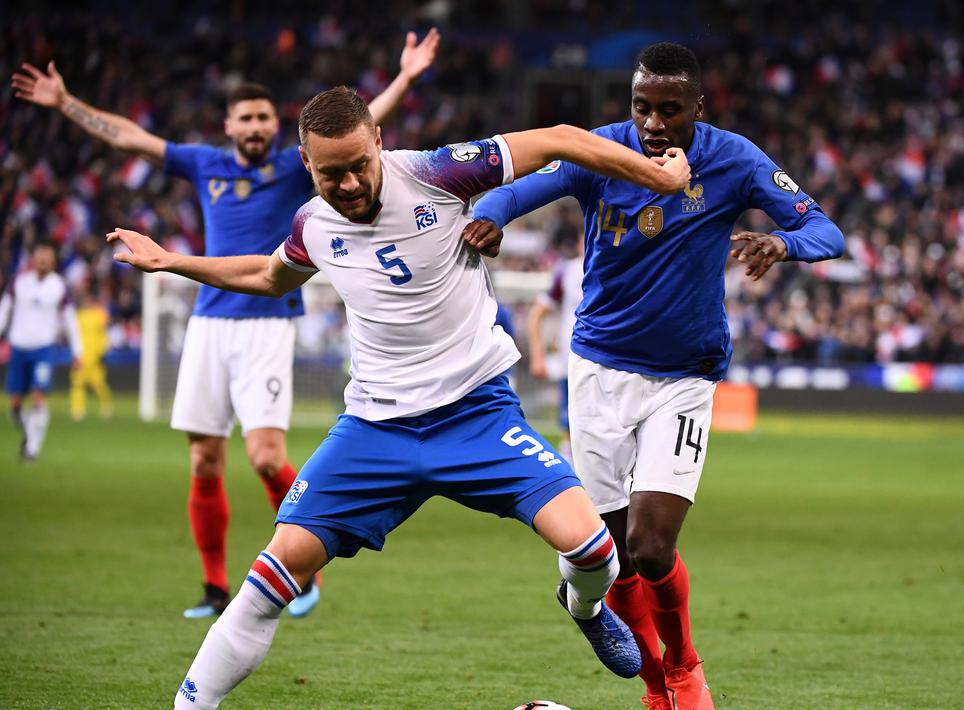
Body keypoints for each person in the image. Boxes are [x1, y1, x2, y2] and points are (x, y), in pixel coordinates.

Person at [107, 85, 692, 709]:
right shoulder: (313, 224)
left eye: (360, 165)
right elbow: (269, 276)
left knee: (596, 551)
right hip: (374, 428)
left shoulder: (439, 173)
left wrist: (656, 178)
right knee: (272, 573)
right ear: (306, 164)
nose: (350, 184)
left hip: (476, 414)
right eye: (332, 173)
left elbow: (560, 140)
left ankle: (584, 606)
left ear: (380, 142)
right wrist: (172, 262)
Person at [12, 28, 440, 619]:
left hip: (268, 319)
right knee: (204, 460)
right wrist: (66, 104)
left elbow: (362, 127)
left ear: (275, 127)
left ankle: (305, 568)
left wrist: (406, 77)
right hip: (208, 323)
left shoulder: (295, 168)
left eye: (265, 117)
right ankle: (214, 588)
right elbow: (130, 137)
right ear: (229, 126)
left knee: (265, 455)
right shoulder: (204, 164)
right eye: (247, 118)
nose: (256, 126)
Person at [467, 42, 846, 710]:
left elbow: (825, 230)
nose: (653, 123)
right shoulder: (602, 151)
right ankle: (654, 687)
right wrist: (489, 219)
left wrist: (782, 243)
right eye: (642, 106)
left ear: (698, 107)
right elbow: (520, 188)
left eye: (670, 110)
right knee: (610, 554)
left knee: (650, 546)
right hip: (598, 372)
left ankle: (684, 666)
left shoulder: (734, 160)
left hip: (684, 377)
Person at [0, 244, 83, 463]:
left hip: (43, 349)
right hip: (19, 347)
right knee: (14, 405)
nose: (43, 263)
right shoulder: (19, 282)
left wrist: (78, 351)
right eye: (40, 259)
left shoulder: (59, 286)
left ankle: (32, 449)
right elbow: (4, 310)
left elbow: (70, 320)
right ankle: (30, 434)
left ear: (53, 262)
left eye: (47, 259)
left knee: (38, 397)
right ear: (33, 261)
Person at [526, 234, 583, 463]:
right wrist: (537, 357)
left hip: (609, 361)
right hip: (572, 359)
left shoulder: (618, 268)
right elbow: (536, 314)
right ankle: (569, 466)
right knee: (570, 421)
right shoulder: (567, 271)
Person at [69, 286, 114, 421]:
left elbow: (106, 328)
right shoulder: (78, 316)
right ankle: (78, 410)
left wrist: (103, 349)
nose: (87, 303)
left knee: (99, 384)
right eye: (85, 300)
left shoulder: (99, 314)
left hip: (95, 356)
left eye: (89, 300)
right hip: (81, 356)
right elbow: (73, 335)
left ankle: (106, 406)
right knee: (77, 384)